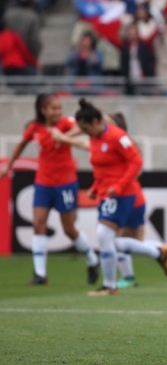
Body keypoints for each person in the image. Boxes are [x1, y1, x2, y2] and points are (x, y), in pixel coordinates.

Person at [50, 112, 167, 290]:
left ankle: (151, 261)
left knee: (112, 240)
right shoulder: (111, 144)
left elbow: (131, 169)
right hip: (133, 198)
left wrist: (63, 137)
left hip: (125, 197)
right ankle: (166, 253)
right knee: (122, 242)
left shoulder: (117, 143)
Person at [73, 99, 167, 296]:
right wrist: (95, 187)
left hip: (123, 194)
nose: (85, 133)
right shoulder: (95, 139)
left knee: (104, 235)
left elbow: (136, 162)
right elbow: (103, 168)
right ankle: (159, 252)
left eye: (86, 128)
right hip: (105, 194)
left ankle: (110, 286)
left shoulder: (117, 137)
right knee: (111, 242)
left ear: (95, 121)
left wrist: (118, 185)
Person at [0, 94, 99, 286]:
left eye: (59, 108)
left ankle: (93, 261)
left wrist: (64, 136)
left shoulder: (65, 123)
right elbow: (21, 145)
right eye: (53, 108)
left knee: (69, 229)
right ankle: (40, 274)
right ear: (43, 111)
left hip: (65, 182)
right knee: (38, 224)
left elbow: (82, 128)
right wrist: (8, 166)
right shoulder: (34, 128)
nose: (57, 112)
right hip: (43, 182)